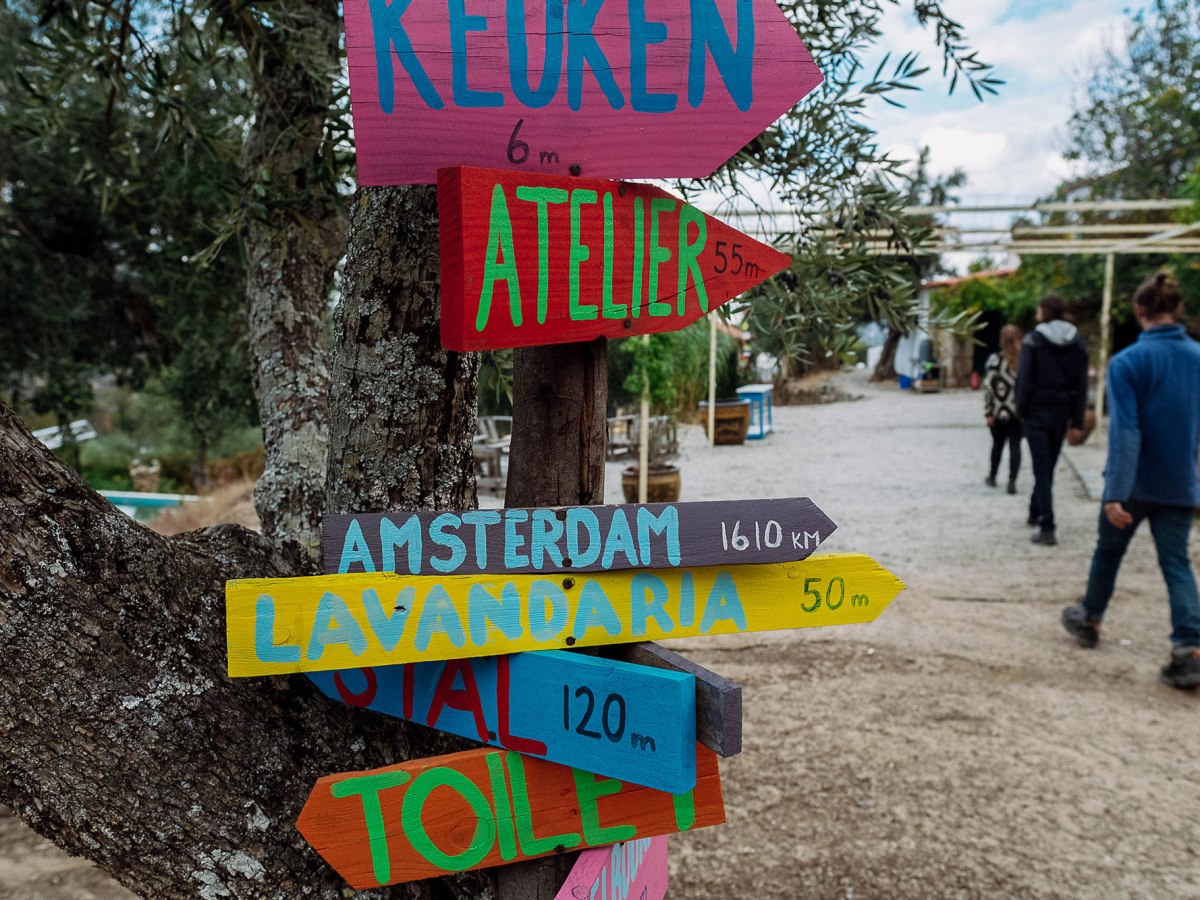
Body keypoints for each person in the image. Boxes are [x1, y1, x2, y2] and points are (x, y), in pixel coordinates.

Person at [1061, 273, 1200, 689]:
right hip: (1180, 482)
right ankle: (1189, 649)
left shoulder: (1127, 363)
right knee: (1176, 563)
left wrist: (1116, 492)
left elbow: (1126, 431)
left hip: (1135, 482)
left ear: (1139, 312)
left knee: (1108, 552)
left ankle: (1091, 618)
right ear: (1175, 310)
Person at [1015, 295, 1089, 546]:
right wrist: (1077, 420)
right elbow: (1082, 384)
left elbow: (1024, 380)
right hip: (1061, 413)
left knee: (1041, 469)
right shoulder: (1078, 344)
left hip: (1036, 413)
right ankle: (1034, 512)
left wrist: (1019, 410)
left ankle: (1048, 526)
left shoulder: (1033, 341)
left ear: (1044, 311)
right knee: (1047, 467)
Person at [982, 324, 1023, 493]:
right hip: (1018, 412)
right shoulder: (1024, 361)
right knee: (1015, 445)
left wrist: (988, 412)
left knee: (997, 445)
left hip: (999, 411)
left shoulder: (995, 360)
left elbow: (989, 387)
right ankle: (1012, 481)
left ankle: (992, 476)